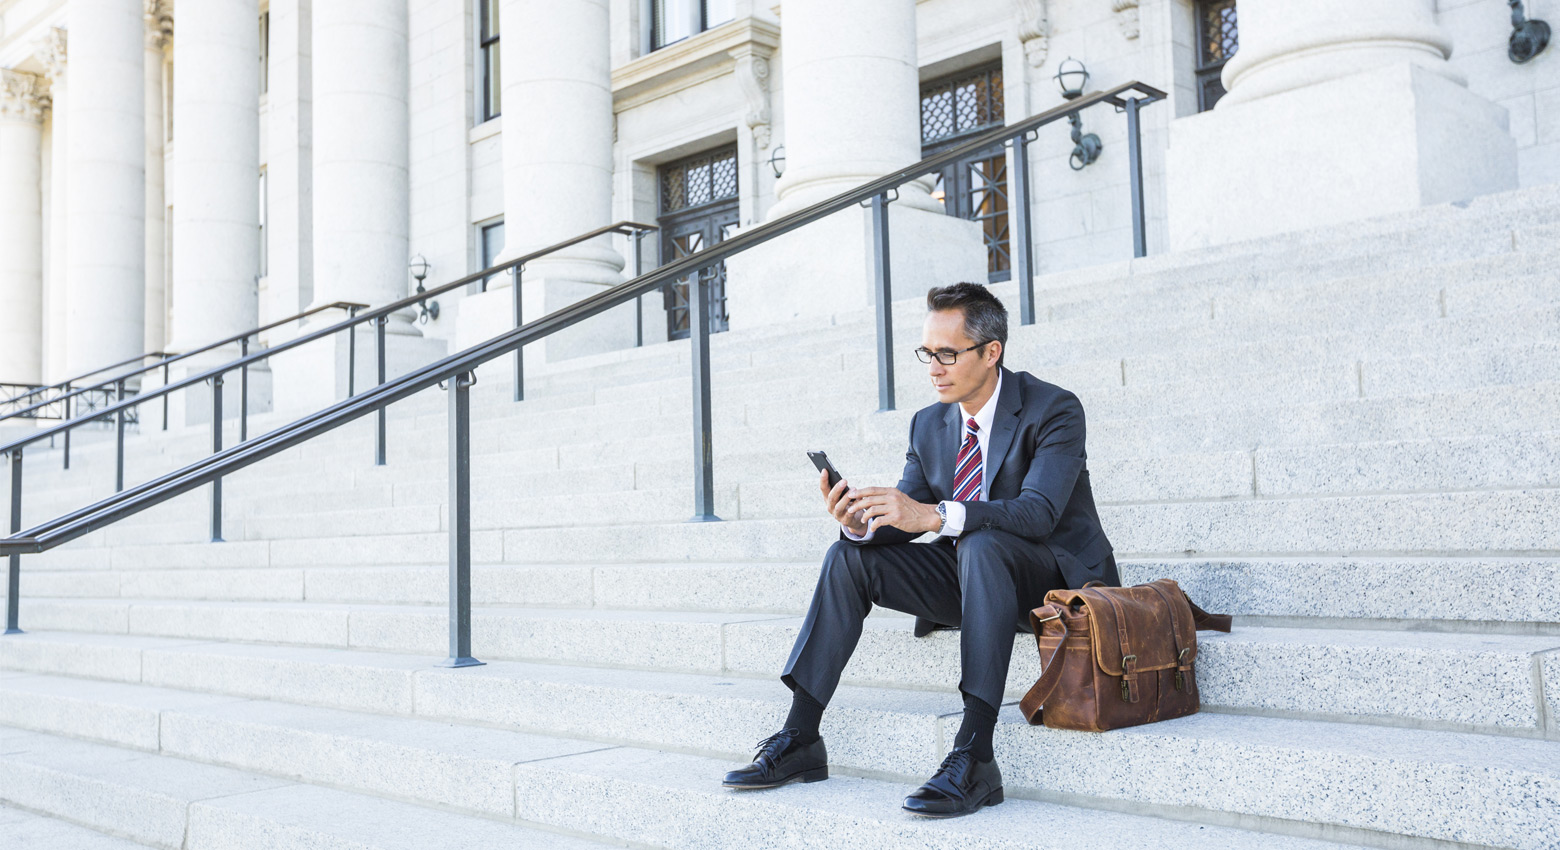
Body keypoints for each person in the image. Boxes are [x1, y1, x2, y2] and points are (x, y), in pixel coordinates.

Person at [722, 281, 1118, 818]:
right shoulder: (929, 423)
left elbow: (1038, 511)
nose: (933, 367)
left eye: (947, 354)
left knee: (979, 541)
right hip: (973, 576)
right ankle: (800, 738)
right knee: (848, 558)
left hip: (1052, 580)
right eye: (927, 353)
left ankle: (975, 754)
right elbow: (907, 517)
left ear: (991, 352)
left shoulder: (1053, 409)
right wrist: (861, 521)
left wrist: (935, 515)